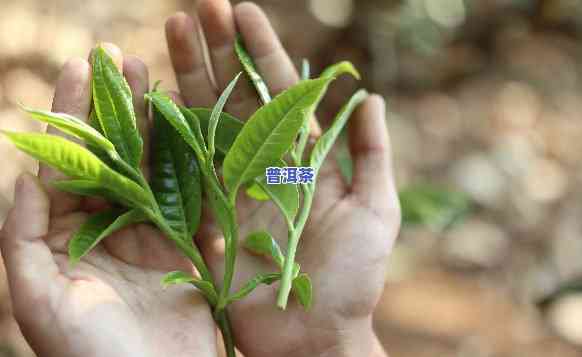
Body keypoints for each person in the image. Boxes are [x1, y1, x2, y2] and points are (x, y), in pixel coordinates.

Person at [0, 1, 400, 356]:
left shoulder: (277, 178)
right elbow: (284, 175)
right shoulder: (248, 181)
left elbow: (296, 174)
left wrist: (328, 341)